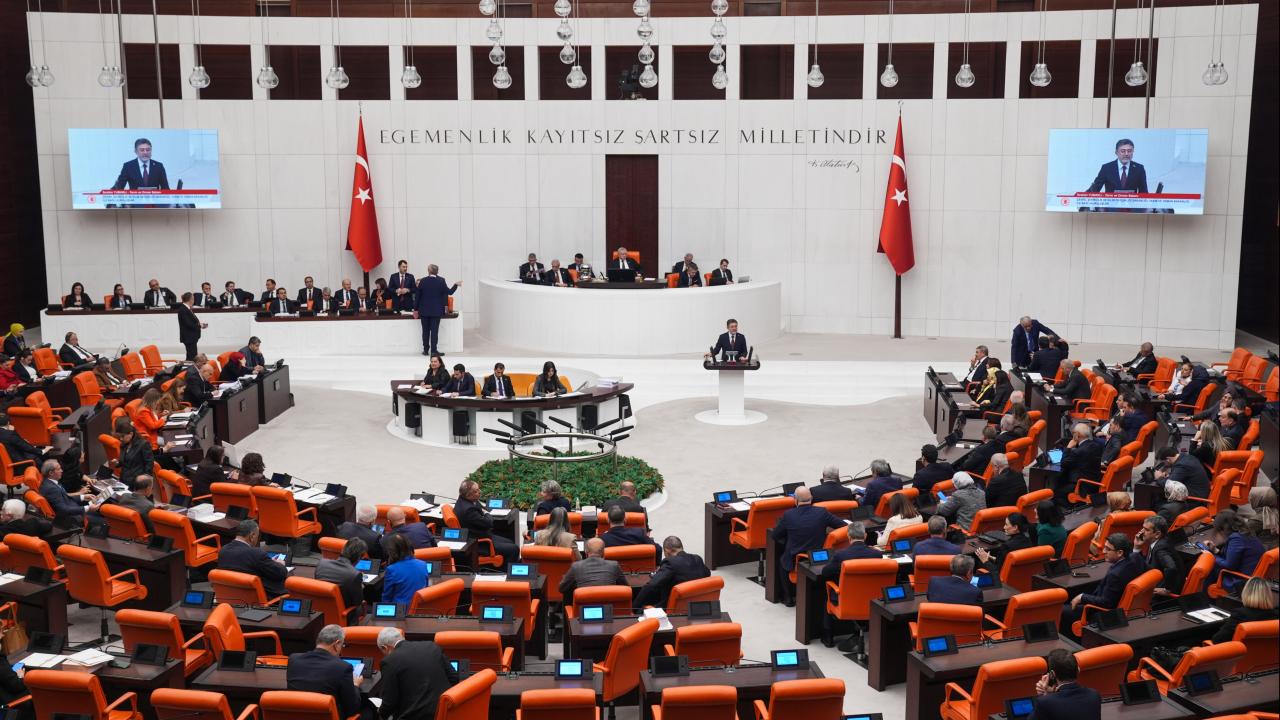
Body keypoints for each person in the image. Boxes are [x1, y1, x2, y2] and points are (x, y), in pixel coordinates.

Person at [1061, 533, 1145, 637]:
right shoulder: (1136, 558)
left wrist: (1083, 597)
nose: (1104, 551)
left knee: (1062, 611)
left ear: (1120, 553)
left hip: (1100, 612)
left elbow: (1106, 602)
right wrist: (1136, 548)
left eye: (1108, 549)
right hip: (1116, 603)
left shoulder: (1115, 575)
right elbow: (1146, 565)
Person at [772, 487, 845, 605]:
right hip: (819, 557)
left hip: (796, 558)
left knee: (782, 561)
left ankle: (788, 598)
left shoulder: (789, 515)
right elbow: (843, 526)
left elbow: (775, 535)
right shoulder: (822, 512)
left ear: (795, 500)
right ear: (811, 498)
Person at [374, 627, 457, 720]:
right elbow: (454, 678)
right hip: (445, 713)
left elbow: (389, 703)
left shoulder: (389, 661)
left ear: (384, 647)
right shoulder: (432, 646)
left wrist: (380, 713)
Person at [286, 625, 366, 720]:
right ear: (337, 644)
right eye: (342, 645)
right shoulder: (343, 667)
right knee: (368, 711)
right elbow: (352, 709)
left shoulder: (294, 660)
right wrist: (355, 685)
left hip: (298, 717)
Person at [634, 536, 710, 609]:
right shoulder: (697, 559)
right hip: (697, 607)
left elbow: (651, 585)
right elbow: (707, 574)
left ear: (667, 551)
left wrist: (634, 607)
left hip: (673, 609)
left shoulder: (670, 562)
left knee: (641, 608)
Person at [218, 519, 288, 598]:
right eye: (257, 536)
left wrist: (268, 561)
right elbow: (281, 573)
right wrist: (280, 564)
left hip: (231, 594)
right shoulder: (256, 554)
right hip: (257, 597)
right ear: (252, 536)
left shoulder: (223, 550)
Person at [454, 480, 519, 564]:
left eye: (478, 489)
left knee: (510, 542)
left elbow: (483, 509)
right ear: (468, 495)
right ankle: (507, 570)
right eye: (476, 491)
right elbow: (488, 523)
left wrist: (485, 512)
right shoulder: (469, 510)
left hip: (481, 534)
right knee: (514, 549)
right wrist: (487, 513)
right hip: (479, 541)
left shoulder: (464, 500)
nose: (479, 492)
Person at [1030, 648, 1102, 720]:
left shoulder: (1044, 702)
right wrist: (1051, 695)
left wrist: (1045, 696)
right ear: (1078, 670)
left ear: (1052, 674)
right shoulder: (1094, 695)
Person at [1204, 509, 1265, 593]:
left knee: (1210, 568)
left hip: (1243, 582)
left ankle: (1204, 597)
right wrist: (1216, 551)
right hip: (1255, 578)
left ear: (1223, 528)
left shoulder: (1236, 538)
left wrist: (1211, 556)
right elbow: (1235, 557)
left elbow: (1229, 565)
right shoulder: (1246, 533)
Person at [558, 537, 627, 604]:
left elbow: (562, 588)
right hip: (609, 609)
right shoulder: (614, 565)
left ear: (586, 551)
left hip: (583, 610)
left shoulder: (576, 566)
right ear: (603, 552)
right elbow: (625, 587)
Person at [1210, 577, 1278, 644]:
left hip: (1240, 651)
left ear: (1246, 593)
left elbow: (1217, 639)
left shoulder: (1240, 614)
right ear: (1268, 595)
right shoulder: (1276, 615)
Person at [413, 265, 460, 356]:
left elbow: (417, 296)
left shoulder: (423, 281)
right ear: (437, 272)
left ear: (428, 271)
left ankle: (425, 350)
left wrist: (415, 309)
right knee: (434, 332)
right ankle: (434, 351)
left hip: (424, 311)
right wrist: (456, 285)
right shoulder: (441, 281)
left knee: (425, 331)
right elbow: (449, 292)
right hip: (436, 311)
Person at [1054, 423, 1104, 506]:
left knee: (1057, 493)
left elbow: (1064, 463)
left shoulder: (1079, 451)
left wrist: (1068, 447)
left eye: (1073, 433)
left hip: (1083, 486)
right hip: (1095, 482)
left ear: (1077, 435)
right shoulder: (1096, 446)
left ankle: (1070, 510)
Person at [1135, 515, 1185, 598]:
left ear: (1157, 534)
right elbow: (1146, 564)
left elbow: (1171, 567)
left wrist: (1167, 589)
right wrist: (1137, 547)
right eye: (1143, 528)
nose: (1142, 532)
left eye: (1146, 530)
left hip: (1163, 596)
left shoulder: (1160, 549)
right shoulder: (1158, 542)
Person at [316, 537, 366, 610]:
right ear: (359, 558)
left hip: (321, 609)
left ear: (343, 550)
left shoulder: (321, 563)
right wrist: (360, 586)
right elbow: (358, 602)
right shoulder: (355, 574)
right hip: (343, 611)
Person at [382, 534, 431, 604]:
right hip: (419, 606)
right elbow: (425, 588)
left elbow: (387, 597)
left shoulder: (391, 569)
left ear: (392, 551)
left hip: (400, 608)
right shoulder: (423, 564)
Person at [114, 419, 154, 490]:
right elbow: (126, 462)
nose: (120, 439)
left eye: (122, 436)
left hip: (137, 483)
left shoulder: (143, 444)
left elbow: (149, 464)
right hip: (124, 480)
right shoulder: (123, 445)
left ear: (131, 434)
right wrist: (118, 463)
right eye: (119, 437)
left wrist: (145, 482)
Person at [177, 292, 206, 360]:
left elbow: (191, 322)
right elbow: (188, 323)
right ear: (191, 299)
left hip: (191, 337)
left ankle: (188, 366)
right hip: (189, 337)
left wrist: (200, 325)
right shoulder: (183, 309)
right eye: (193, 298)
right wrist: (199, 326)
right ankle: (189, 367)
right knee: (192, 357)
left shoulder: (187, 308)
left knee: (190, 356)